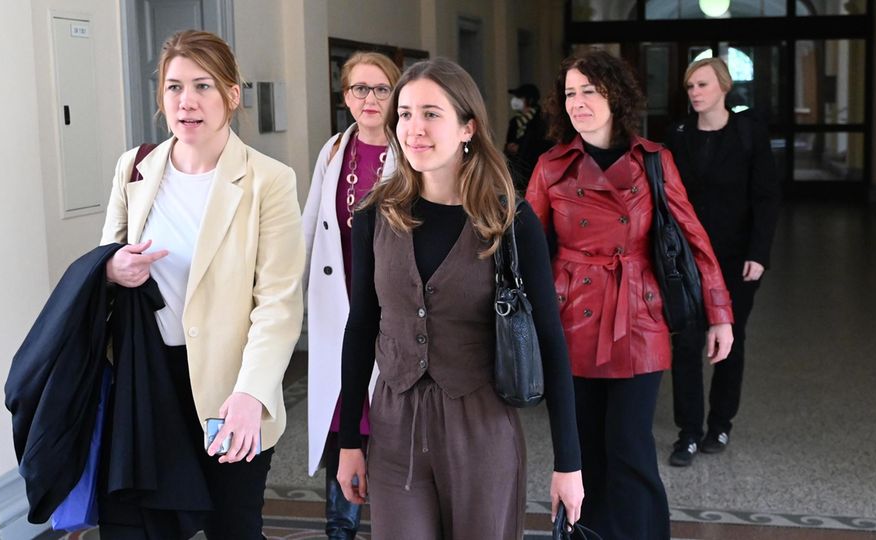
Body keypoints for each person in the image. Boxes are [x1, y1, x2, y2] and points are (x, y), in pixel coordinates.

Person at [335, 57, 584, 539]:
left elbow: (551, 339)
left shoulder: (509, 219)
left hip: (481, 422)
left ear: (467, 126)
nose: (414, 128)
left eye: (431, 114)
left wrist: (568, 463)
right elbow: (361, 325)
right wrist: (350, 440)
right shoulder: (374, 215)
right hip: (395, 422)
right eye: (404, 114)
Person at [99, 30, 305, 539]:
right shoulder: (134, 168)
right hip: (148, 384)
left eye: (203, 86)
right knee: (146, 528)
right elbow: (103, 261)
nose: (186, 102)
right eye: (173, 87)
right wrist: (113, 270)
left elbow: (277, 302)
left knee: (233, 527)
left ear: (232, 96)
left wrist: (251, 393)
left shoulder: (268, 180)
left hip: (230, 389)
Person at [525, 50, 735, 540]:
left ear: (615, 97)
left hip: (638, 317)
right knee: (583, 453)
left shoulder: (655, 161)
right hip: (570, 317)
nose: (578, 102)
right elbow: (527, 252)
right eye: (571, 93)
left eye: (590, 92)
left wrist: (720, 314)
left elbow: (693, 237)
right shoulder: (551, 166)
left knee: (630, 447)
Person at [302, 51, 401, 539]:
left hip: (392, 308)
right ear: (345, 97)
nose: (371, 99)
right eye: (360, 89)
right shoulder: (332, 152)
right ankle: (340, 528)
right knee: (343, 413)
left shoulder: (412, 151)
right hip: (337, 305)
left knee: (388, 415)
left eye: (382, 89)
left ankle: (395, 523)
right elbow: (308, 233)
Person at [664, 57, 780, 467]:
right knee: (686, 342)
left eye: (702, 85)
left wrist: (759, 253)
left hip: (737, 258)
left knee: (731, 339)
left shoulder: (748, 133)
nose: (694, 93)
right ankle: (689, 431)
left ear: (724, 88)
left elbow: (766, 197)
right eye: (690, 86)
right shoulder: (677, 135)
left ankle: (721, 422)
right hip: (688, 258)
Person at [504, 83, 551, 193]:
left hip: (536, 172)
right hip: (517, 173)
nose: (515, 100)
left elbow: (543, 145)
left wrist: (520, 148)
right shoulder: (515, 122)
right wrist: (509, 148)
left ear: (529, 100)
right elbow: (508, 143)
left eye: (519, 97)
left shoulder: (542, 120)